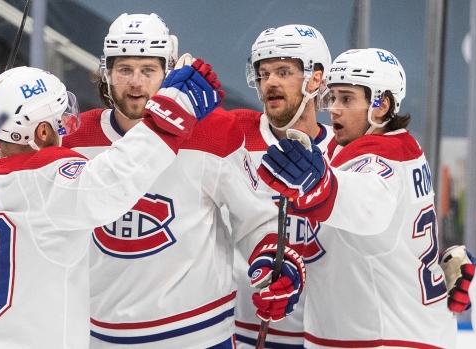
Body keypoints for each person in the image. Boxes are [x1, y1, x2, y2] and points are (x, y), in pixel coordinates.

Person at [0, 62, 222, 349]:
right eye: (58, 121)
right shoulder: (46, 182)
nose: (63, 126)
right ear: (42, 132)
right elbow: (115, 178)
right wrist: (171, 111)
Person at [66, 13, 302, 348]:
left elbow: (255, 219)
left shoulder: (214, 132)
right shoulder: (75, 137)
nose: (136, 82)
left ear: (170, 71)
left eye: (148, 70)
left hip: (198, 335)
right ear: (106, 73)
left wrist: (272, 258)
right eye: (124, 70)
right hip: (99, 337)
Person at [258, 48, 458, 348]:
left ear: (381, 105)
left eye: (347, 99)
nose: (334, 109)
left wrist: (323, 189)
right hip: (397, 331)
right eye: (333, 97)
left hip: (385, 339)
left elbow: (368, 206)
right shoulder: (391, 148)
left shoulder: (383, 159)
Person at [229, 24, 333, 348]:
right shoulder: (234, 139)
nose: (270, 82)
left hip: (322, 335)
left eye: (284, 71)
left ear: (315, 79)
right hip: (241, 331)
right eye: (263, 73)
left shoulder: (346, 153)